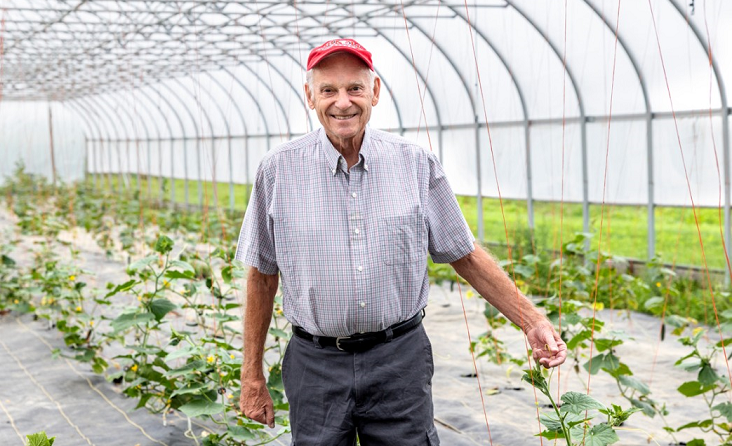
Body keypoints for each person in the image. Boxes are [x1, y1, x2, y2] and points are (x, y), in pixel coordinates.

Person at [235, 38, 567, 445]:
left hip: (398, 361)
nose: (343, 102)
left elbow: (464, 254)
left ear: (375, 92)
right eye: (329, 90)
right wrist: (251, 375)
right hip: (315, 364)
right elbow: (262, 276)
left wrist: (532, 321)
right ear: (310, 96)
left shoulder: (414, 163)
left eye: (355, 88)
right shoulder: (278, 171)